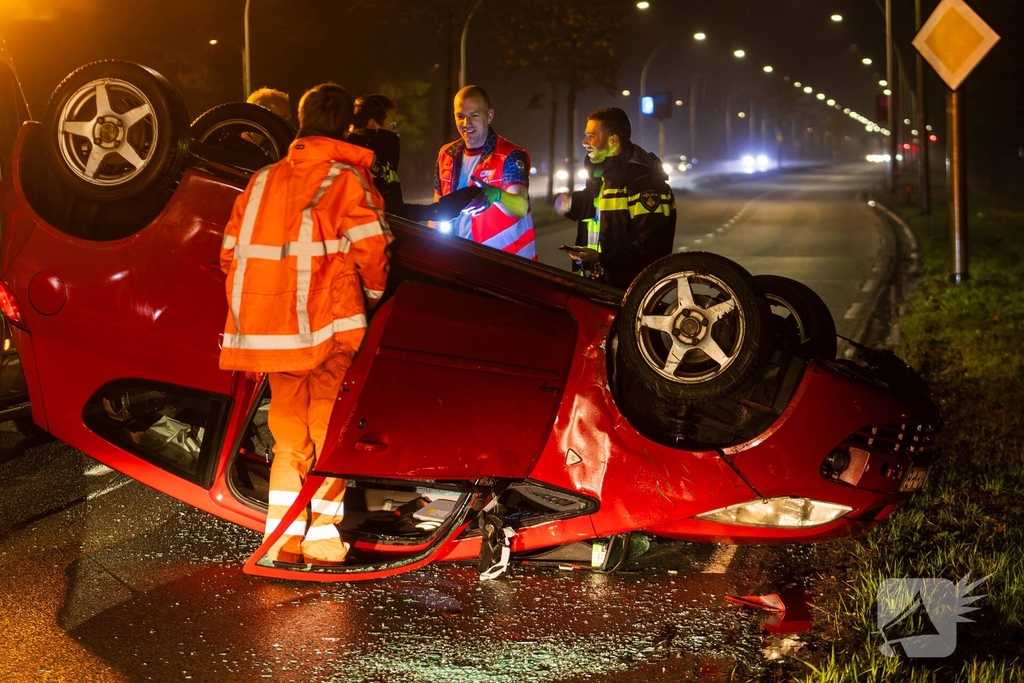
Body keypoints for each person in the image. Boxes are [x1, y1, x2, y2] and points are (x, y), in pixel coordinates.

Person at [219, 83, 391, 566]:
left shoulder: (260, 182)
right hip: (330, 328)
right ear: (343, 128)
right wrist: (369, 300)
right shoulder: (345, 181)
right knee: (328, 429)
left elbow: (230, 254)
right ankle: (322, 537)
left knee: (289, 433)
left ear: (301, 119)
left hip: (276, 332)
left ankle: (283, 536)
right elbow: (373, 253)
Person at [555, 107, 676, 289]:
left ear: (613, 140)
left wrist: (600, 256)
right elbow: (602, 210)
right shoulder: (605, 173)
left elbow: (650, 248)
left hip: (630, 289)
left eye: (592, 135)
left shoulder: (641, 181)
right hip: (601, 281)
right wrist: (569, 204)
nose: (584, 142)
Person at [433, 85, 536, 259]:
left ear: (489, 116)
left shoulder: (509, 155)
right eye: (460, 116)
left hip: (507, 262)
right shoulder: (446, 155)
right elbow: (436, 211)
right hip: (458, 259)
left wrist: (496, 195)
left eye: (474, 115)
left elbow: (520, 206)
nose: (466, 124)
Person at [348, 94, 480, 223]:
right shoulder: (357, 162)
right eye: (393, 125)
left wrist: (438, 210)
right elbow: (386, 216)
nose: (397, 132)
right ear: (373, 126)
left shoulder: (379, 159)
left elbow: (394, 211)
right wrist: (436, 211)